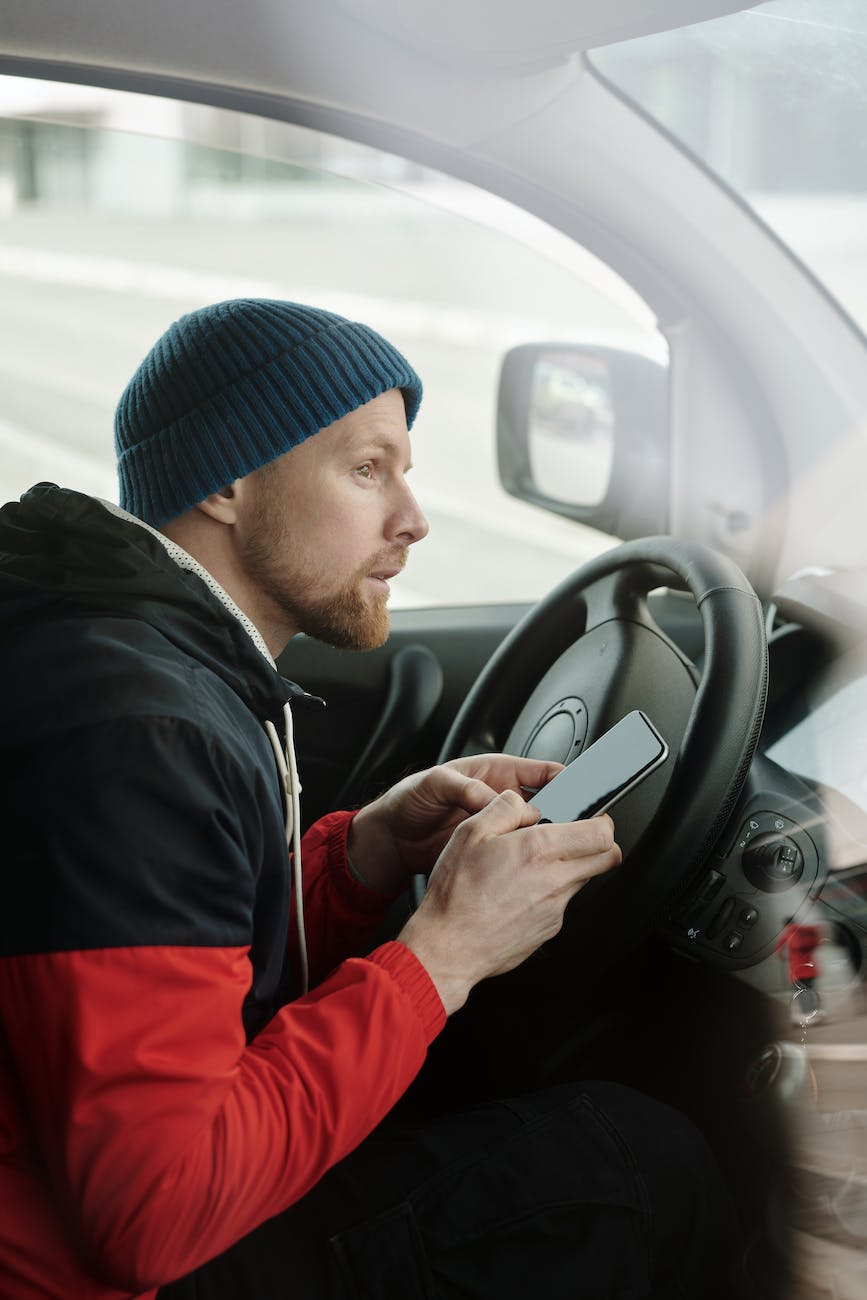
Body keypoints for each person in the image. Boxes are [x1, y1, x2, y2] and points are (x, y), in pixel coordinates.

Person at [0, 299, 754, 1299]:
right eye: (367, 469)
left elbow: (188, 950)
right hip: (98, 1272)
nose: (414, 517)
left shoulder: (143, 657)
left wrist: (364, 855)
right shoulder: (138, 732)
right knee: (643, 1166)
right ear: (230, 479)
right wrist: (444, 952)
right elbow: (154, 1212)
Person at [776, 917, 828, 1026]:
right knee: (812, 991)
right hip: (810, 969)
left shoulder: (788, 933)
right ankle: (818, 1013)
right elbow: (817, 944)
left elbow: (779, 952)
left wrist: (784, 957)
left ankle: (808, 1015)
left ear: (786, 925)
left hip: (797, 971)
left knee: (801, 993)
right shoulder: (806, 932)